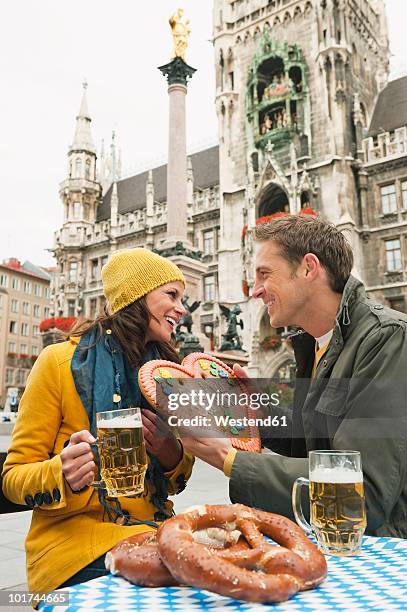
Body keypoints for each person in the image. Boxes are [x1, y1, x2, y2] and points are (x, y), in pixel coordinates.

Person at [182, 215, 407, 538]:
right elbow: (313, 444)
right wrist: (253, 412)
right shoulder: (317, 344)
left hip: (385, 560)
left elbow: (362, 492)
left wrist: (228, 459)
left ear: (308, 268)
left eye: (264, 274)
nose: (256, 291)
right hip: (335, 544)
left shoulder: (387, 339)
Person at [2, 248, 194, 595]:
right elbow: (13, 477)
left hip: (152, 533)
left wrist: (170, 453)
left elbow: (178, 481)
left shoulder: (163, 375)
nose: (182, 309)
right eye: (172, 295)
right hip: (72, 548)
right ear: (137, 295)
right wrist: (60, 473)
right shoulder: (59, 362)